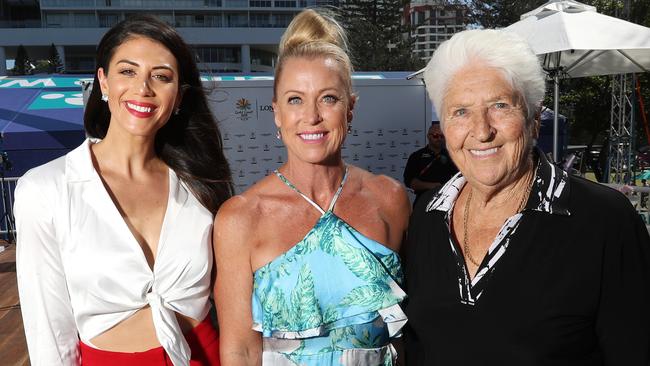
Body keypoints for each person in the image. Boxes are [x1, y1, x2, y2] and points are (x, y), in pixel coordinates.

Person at [404, 29, 650, 365]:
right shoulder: (427, 214)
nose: (481, 130)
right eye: (460, 111)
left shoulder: (603, 219)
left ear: (534, 119)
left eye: (500, 105)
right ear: (444, 127)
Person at [15, 15, 233, 366]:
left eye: (161, 76)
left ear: (178, 97)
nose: (143, 88)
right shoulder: (45, 189)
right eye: (127, 72)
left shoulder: (200, 183)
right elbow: (49, 331)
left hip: (206, 355)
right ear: (103, 81)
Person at [214, 9, 410, 366]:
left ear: (350, 108)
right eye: (295, 99)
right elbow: (240, 351)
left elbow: (405, 335)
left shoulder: (390, 199)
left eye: (328, 98)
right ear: (276, 112)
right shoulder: (241, 217)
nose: (311, 116)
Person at [403, 122, 457, 204]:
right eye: (435, 136)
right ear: (428, 136)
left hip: (446, 201)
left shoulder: (451, 156)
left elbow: (458, 177)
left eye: (442, 136)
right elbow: (409, 182)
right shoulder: (417, 156)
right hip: (423, 201)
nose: (439, 138)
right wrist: (432, 186)